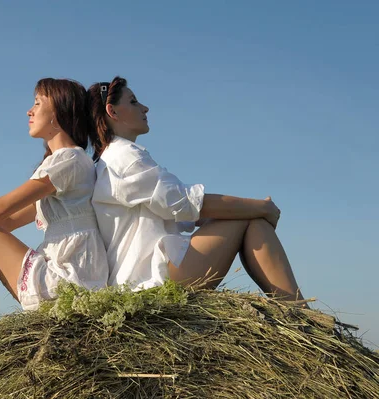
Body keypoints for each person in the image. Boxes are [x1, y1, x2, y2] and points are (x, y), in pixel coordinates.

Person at [88, 76, 307, 306]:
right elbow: (186, 203)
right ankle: (299, 311)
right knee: (251, 216)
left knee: (251, 218)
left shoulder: (113, 159)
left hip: (146, 277)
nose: (145, 107)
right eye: (133, 102)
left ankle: (298, 311)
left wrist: (221, 214)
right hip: (153, 279)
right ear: (112, 112)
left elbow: (179, 211)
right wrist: (263, 207)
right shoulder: (124, 157)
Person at [0, 78, 109, 332]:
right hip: (71, 274)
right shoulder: (66, 162)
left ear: (59, 112)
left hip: (68, 279)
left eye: (38, 103)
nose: (29, 111)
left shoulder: (69, 160)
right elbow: (4, 222)